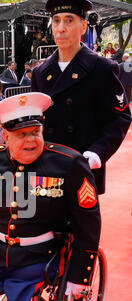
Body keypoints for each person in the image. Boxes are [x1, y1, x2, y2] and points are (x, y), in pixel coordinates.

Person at [0, 92, 101, 301]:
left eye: (35, 132)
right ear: (5, 137)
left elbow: (88, 223)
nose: (31, 140)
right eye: (21, 134)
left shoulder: (69, 165)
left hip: (40, 258)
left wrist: (80, 275)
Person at [31, 0, 131, 195]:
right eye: (56, 21)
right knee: (45, 222)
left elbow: (120, 117)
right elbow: (35, 119)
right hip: (46, 165)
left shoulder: (101, 68)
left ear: (83, 26)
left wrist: (97, 153)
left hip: (83, 166)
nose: (61, 28)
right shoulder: (40, 72)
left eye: (69, 20)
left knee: (80, 223)